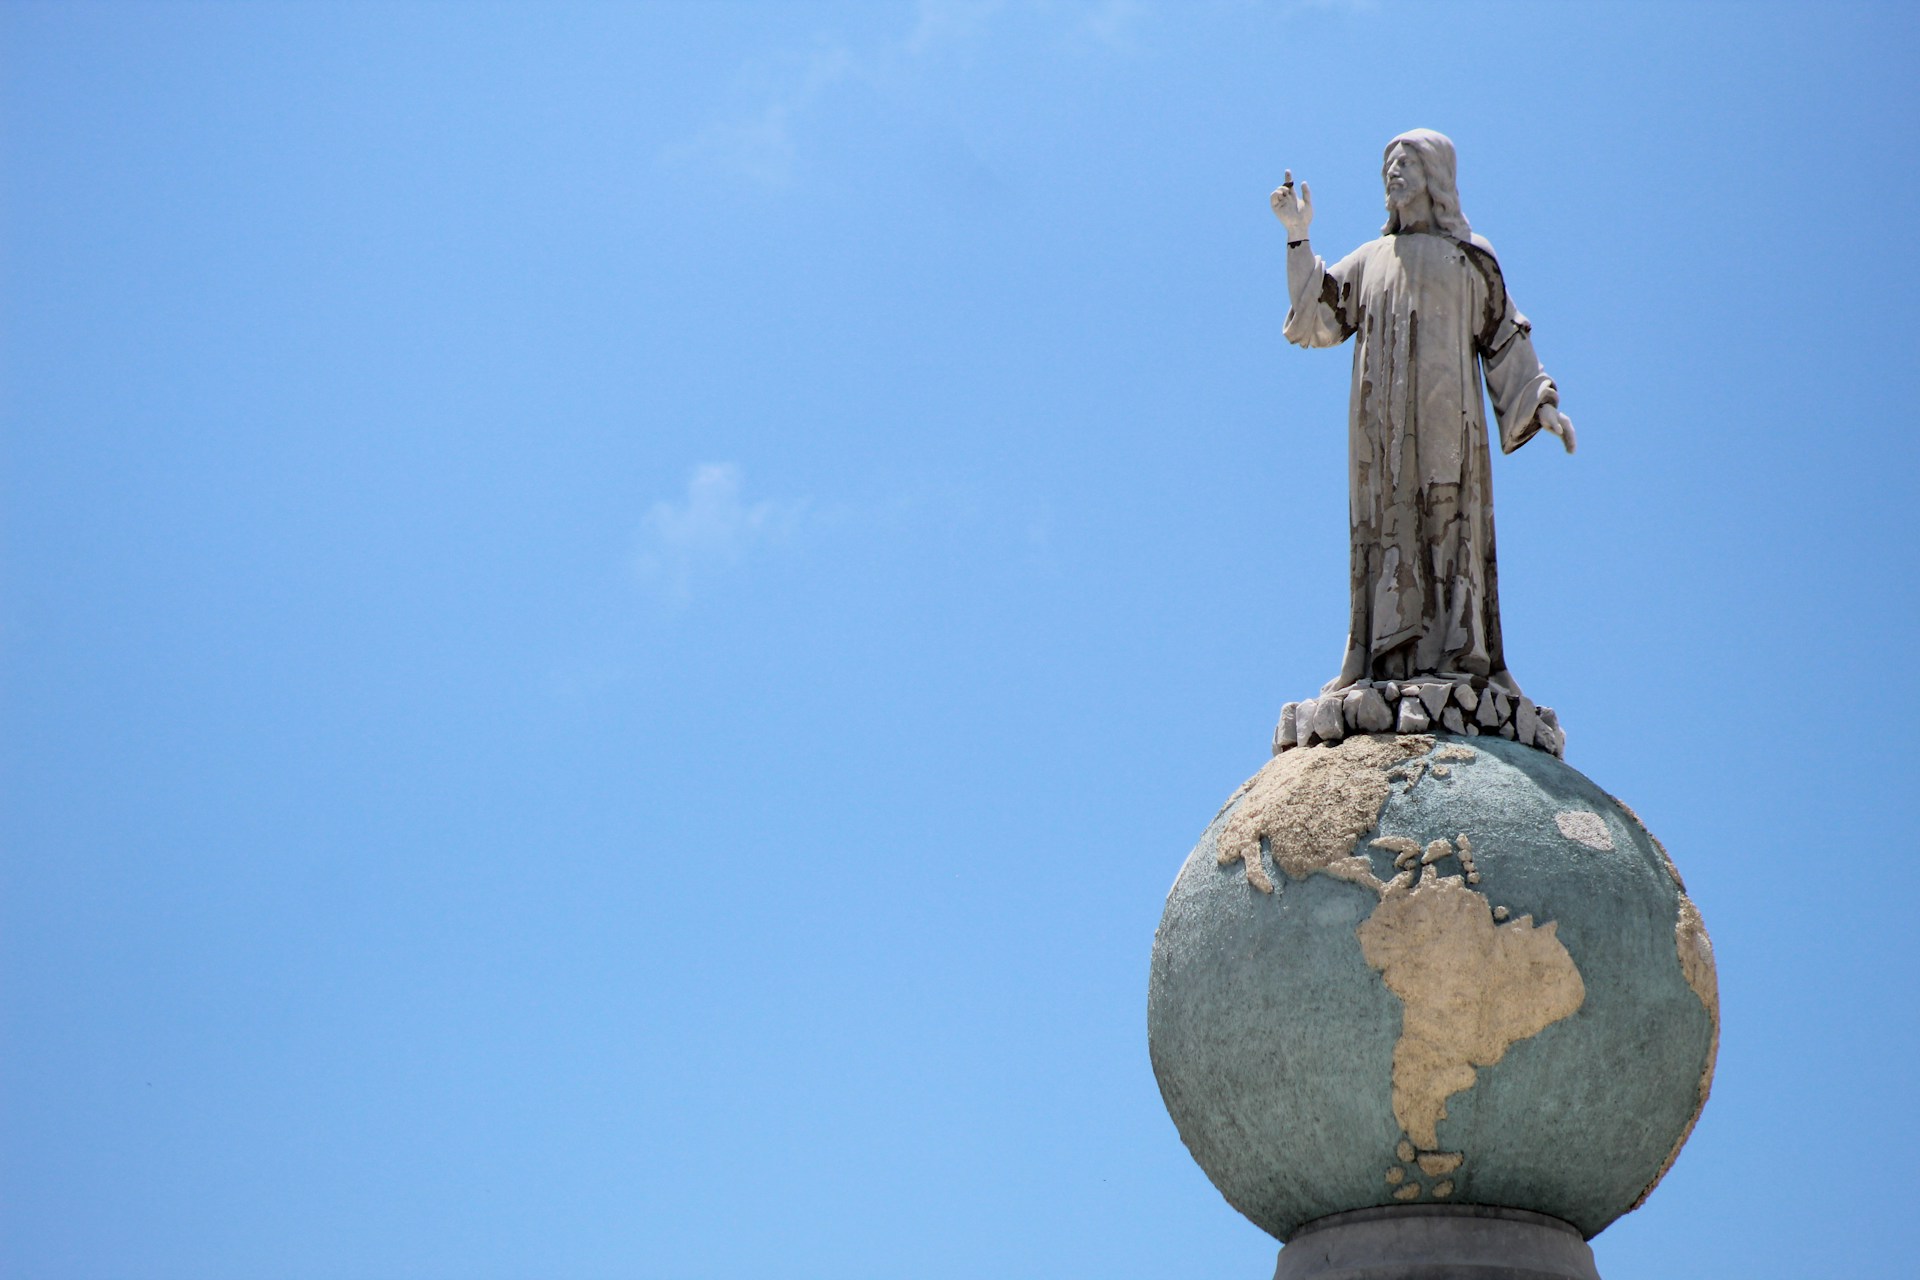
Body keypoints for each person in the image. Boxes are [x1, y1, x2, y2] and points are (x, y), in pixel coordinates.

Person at [1271, 129, 1574, 697]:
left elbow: (1505, 334)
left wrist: (1541, 402)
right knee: (1386, 523)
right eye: (1389, 162)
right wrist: (1297, 235)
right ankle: (1380, 657)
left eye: (1406, 162)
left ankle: (1457, 654)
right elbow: (1316, 314)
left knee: (1448, 520)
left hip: (1447, 420)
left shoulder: (1469, 258)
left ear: (1435, 176)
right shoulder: (1371, 259)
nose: (1393, 171)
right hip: (1381, 426)